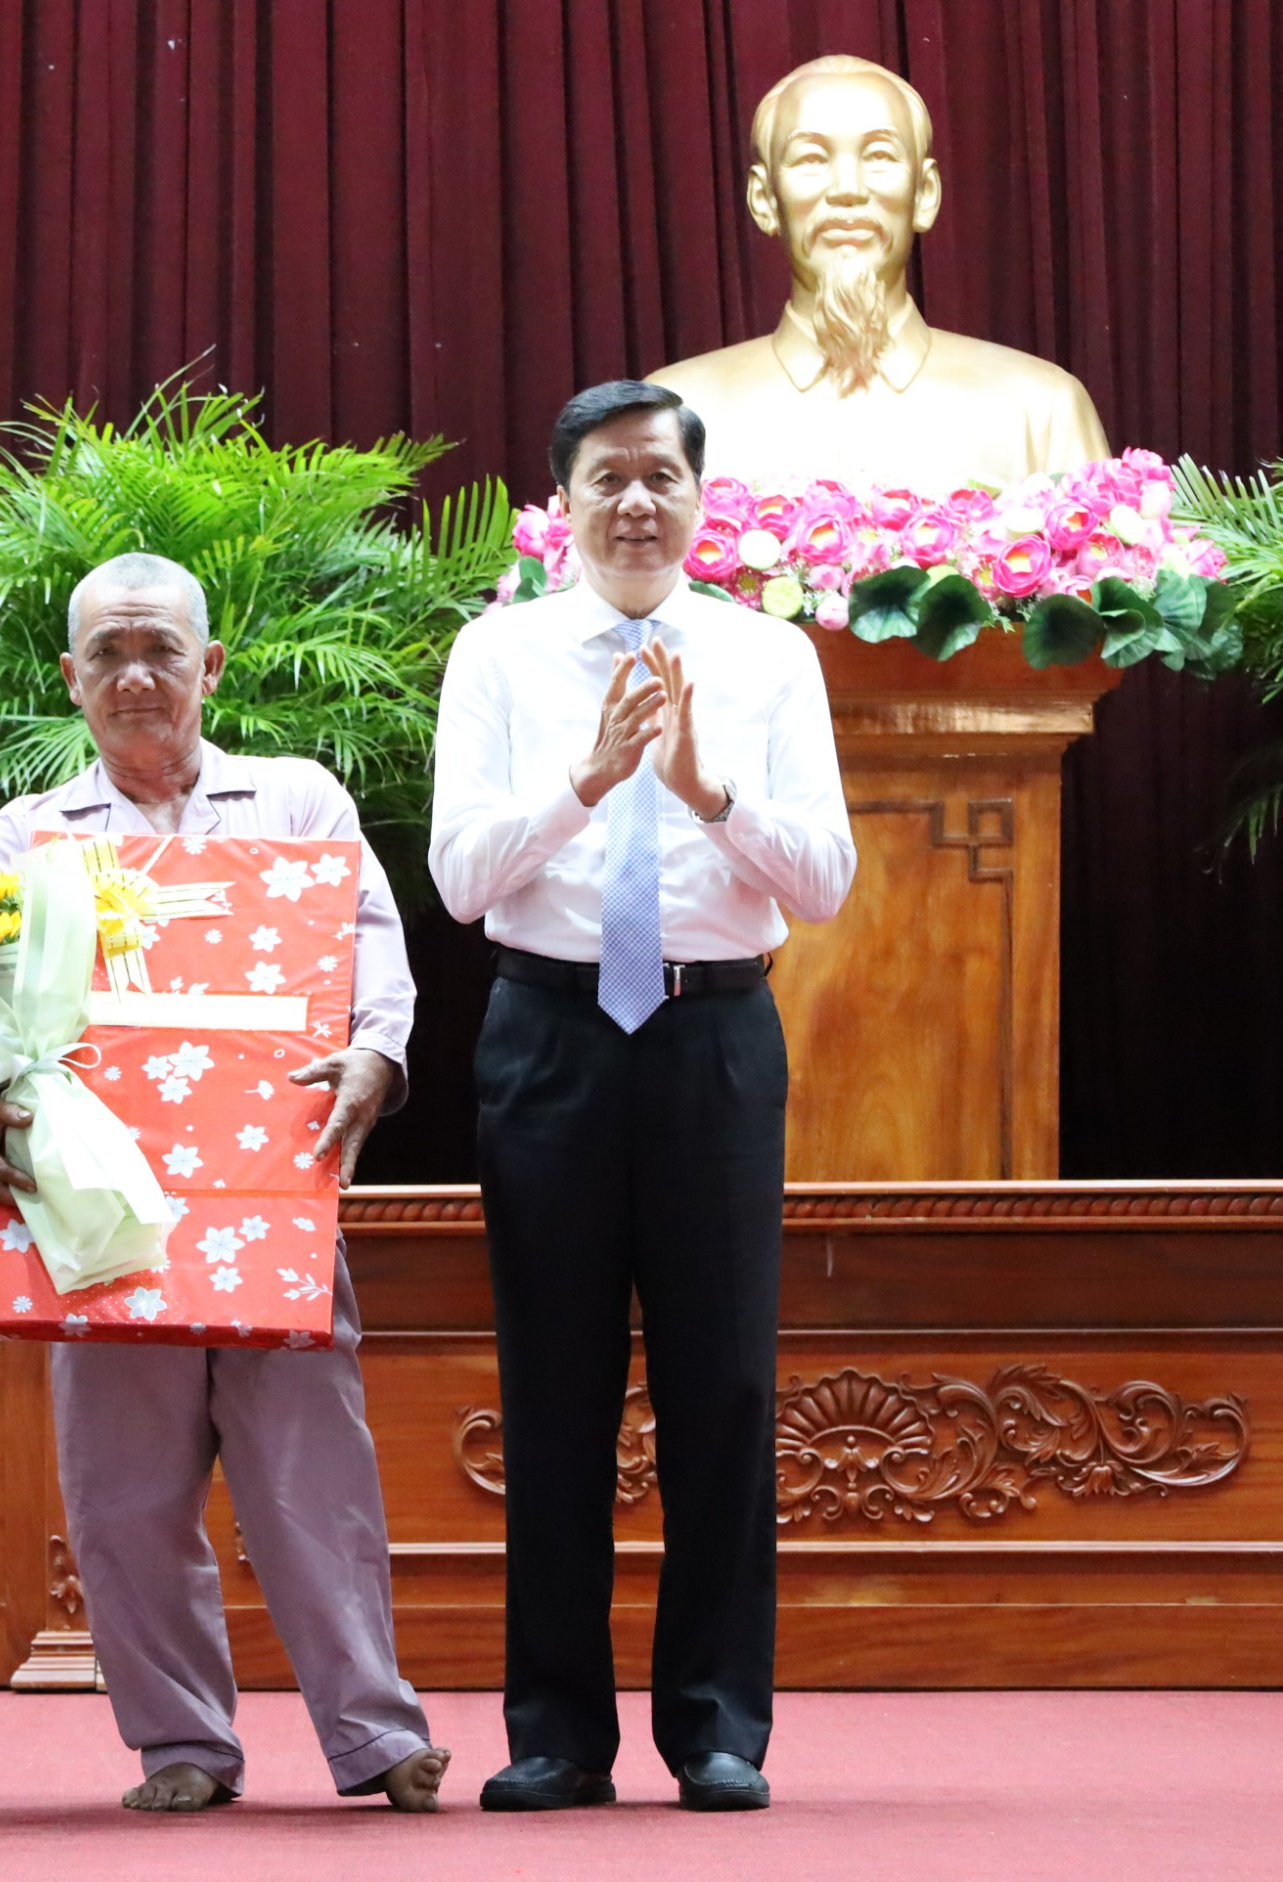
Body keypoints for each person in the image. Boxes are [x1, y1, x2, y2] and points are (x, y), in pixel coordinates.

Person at [0, 552, 449, 1815]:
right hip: (94, 1208)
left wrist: (374, 1059)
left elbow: (373, 962)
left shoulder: (298, 804)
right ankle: (180, 1742)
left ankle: (376, 1734)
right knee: (122, 1493)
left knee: (311, 1474)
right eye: (106, 654)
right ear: (68, 679)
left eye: (160, 650)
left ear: (208, 666)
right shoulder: (32, 834)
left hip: (269, 1190)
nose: (134, 675)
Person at [429, 383, 855, 1812]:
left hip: (713, 1041)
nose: (635, 503)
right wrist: (589, 780)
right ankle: (555, 1731)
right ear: (564, 500)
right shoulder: (498, 652)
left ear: (695, 496)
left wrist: (703, 786)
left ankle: (719, 1725)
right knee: (552, 1393)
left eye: (660, 477)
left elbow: (829, 879)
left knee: (723, 1387)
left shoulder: (767, 654)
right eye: (607, 478)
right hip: (547, 1033)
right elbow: (461, 876)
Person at [647, 54, 1108, 486]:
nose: (848, 190)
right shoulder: (673, 414)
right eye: (811, 159)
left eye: (880, 157)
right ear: (764, 200)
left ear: (925, 194)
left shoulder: (1042, 410)